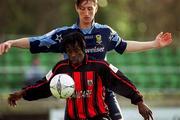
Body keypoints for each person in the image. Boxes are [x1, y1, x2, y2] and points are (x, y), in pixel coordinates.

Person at [0, 0, 172, 119]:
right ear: (76, 8)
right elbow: (36, 41)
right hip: (75, 95)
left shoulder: (105, 32)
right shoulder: (64, 34)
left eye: (90, 8)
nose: (87, 12)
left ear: (96, 7)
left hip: (103, 94)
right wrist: (12, 42)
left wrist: (154, 44)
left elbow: (124, 46)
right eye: (83, 8)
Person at [8, 31, 153, 120]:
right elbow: (44, 85)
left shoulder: (100, 66)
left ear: (83, 49)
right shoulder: (61, 68)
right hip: (73, 117)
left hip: (98, 117)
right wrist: (22, 93)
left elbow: (121, 81)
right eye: (69, 51)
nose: (73, 54)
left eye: (76, 50)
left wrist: (139, 101)